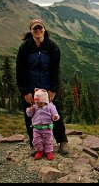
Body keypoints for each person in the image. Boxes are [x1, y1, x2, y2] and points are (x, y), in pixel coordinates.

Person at [16, 18, 69, 156]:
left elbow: (55, 70)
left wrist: (53, 89)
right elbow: (20, 70)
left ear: (44, 29)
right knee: (30, 114)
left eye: (40, 28)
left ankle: (62, 141)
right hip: (31, 88)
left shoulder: (52, 47)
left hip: (47, 88)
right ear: (31, 31)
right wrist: (25, 91)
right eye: (35, 28)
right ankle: (35, 144)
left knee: (55, 113)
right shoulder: (25, 47)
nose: (38, 31)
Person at [26, 88, 59, 160]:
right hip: (36, 128)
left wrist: (55, 117)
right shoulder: (34, 107)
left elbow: (55, 114)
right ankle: (39, 151)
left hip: (47, 128)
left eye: (40, 103)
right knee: (37, 140)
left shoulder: (50, 106)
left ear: (45, 101)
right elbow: (29, 115)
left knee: (48, 140)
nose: (38, 105)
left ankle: (49, 151)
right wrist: (29, 110)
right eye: (37, 103)